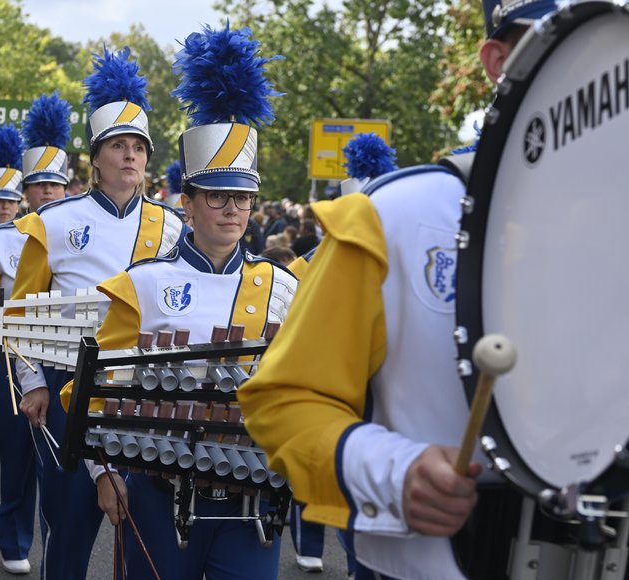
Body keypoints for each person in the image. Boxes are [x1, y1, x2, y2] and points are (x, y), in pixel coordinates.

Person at [237, 2, 557, 579]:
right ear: (497, 60)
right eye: (560, 38)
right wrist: (395, 471)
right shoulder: (395, 216)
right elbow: (285, 400)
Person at [65, 26, 295, 580]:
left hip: (252, 505)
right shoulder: (141, 284)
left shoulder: (284, 287)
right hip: (157, 496)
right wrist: (103, 473)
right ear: (186, 202)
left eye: (242, 197)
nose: (233, 210)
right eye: (218, 196)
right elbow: (90, 391)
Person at [9, 47, 185, 580]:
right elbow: (20, 308)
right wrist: (32, 380)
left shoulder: (174, 226)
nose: (130, 157)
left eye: (138, 148)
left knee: (147, 528)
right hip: (70, 386)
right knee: (72, 524)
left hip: (147, 389)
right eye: (118, 146)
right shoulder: (55, 221)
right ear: (96, 156)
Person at [0, 93, 72, 576]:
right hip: (9, 361)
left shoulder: (80, 232)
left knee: (63, 472)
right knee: (17, 458)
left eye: (56, 185)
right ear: (26, 191)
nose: (47, 193)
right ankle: (13, 537)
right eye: (39, 185)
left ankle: (58, 551)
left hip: (64, 359)